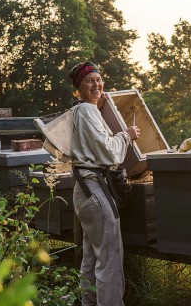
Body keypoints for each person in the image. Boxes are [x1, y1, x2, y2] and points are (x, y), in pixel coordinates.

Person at [68, 61, 140, 305]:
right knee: (109, 257)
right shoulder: (87, 110)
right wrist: (126, 135)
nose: (96, 84)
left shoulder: (80, 110)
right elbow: (110, 154)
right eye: (90, 81)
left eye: (98, 80)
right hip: (94, 188)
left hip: (85, 190)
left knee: (91, 257)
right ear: (78, 86)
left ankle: (89, 302)